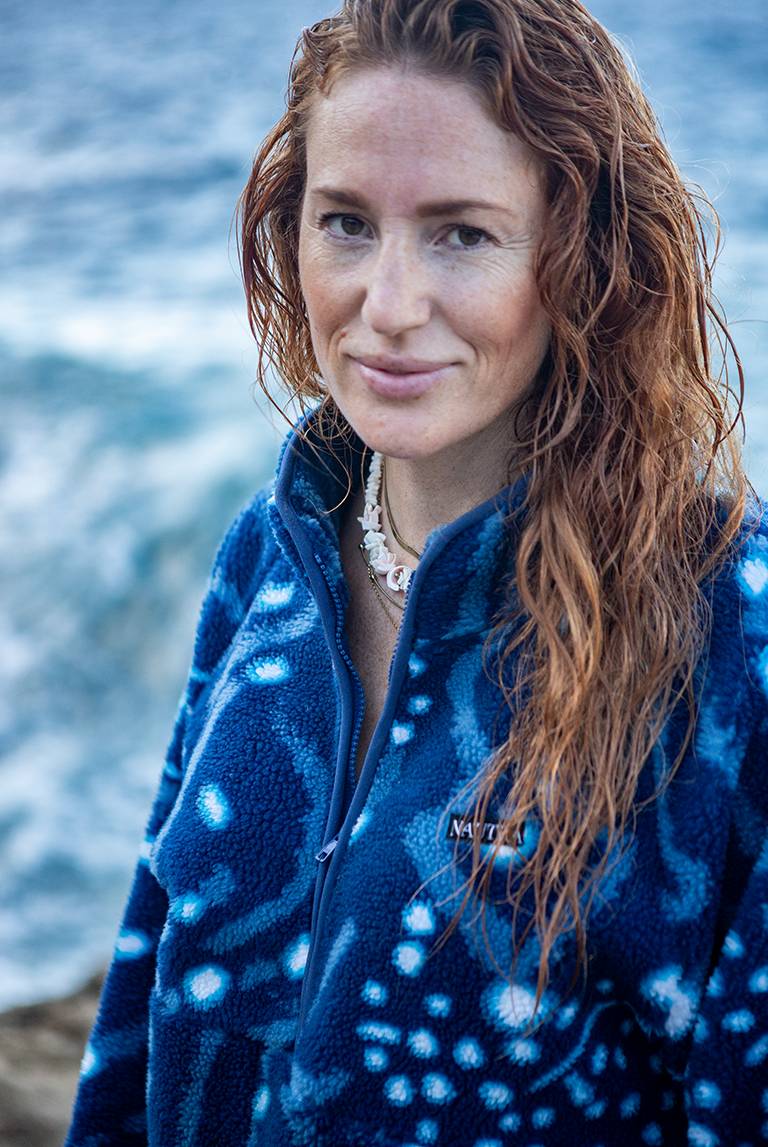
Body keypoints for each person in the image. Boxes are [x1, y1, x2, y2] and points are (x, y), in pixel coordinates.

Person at [66, 0, 768, 1143]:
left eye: (462, 234)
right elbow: (141, 1009)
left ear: (583, 257)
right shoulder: (273, 554)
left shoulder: (731, 631)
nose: (386, 308)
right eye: (345, 222)